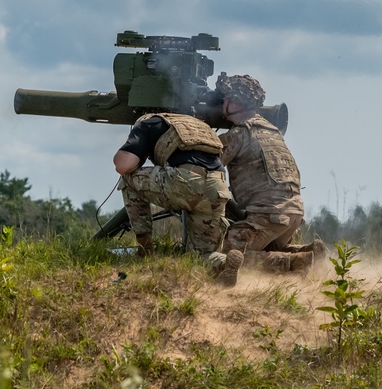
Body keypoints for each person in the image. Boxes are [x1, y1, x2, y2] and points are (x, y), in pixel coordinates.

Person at [113, 112, 245, 287]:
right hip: (217, 188)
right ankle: (224, 262)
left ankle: (145, 250)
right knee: (200, 255)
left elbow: (122, 165)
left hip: (185, 182)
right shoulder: (199, 126)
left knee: (128, 180)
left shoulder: (148, 122)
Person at [216, 75, 321, 274]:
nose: (222, 105)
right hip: (293, 214)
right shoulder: (272, 131)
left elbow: (209, 165)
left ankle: (294, 262)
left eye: (225, 100)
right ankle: (308, 252)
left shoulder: (240, 133)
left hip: (268, 216)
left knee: (225, 253)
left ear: (236, 103)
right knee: (267, 247)